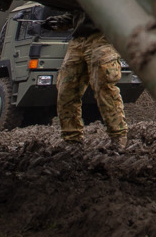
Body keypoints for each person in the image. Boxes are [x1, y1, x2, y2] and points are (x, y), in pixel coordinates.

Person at [47, 10, 129, 148]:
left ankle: (118, 138)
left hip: (102, 37)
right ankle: (72, 140)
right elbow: (76, 11)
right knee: (65, 90)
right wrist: (59, 22)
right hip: (78, 40)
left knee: (104, 87)